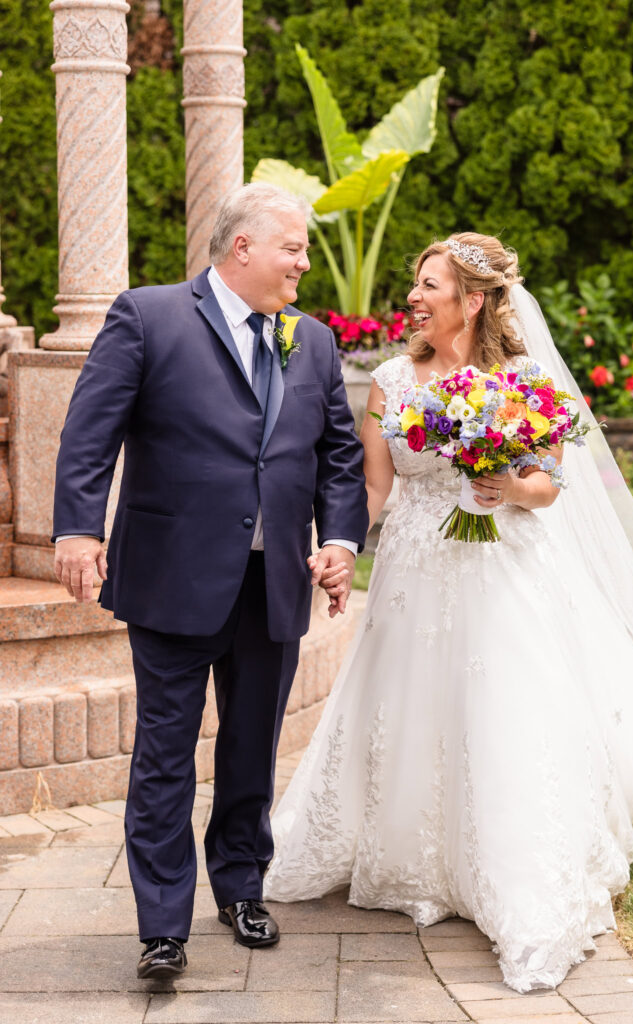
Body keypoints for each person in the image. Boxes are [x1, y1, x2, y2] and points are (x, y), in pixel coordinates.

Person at [263, 232, 633, 992]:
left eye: (430, 285)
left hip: (501, 565)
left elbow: (547, 487)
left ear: (474, 299)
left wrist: (503, 486)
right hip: (413, 571)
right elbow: (373, 487)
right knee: (407, 703)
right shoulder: (392, 379)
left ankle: (508, 869)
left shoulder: (520, 377)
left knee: (501, 707)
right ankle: (408, 854)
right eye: (415, 285)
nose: (414, 298)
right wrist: (340, 546)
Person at [52, 183, 369, 980]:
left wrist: (337, 538)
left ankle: (239, 885)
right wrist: (78, 527)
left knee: (252, 748)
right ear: (242, 248)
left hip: (274, 584)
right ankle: (162, 925)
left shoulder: (315, 341)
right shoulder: (149, 316)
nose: (302, 260)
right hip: (172, 577)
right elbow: (92, 429)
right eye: (292, 246)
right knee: (164, 751)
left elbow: (336, 454)